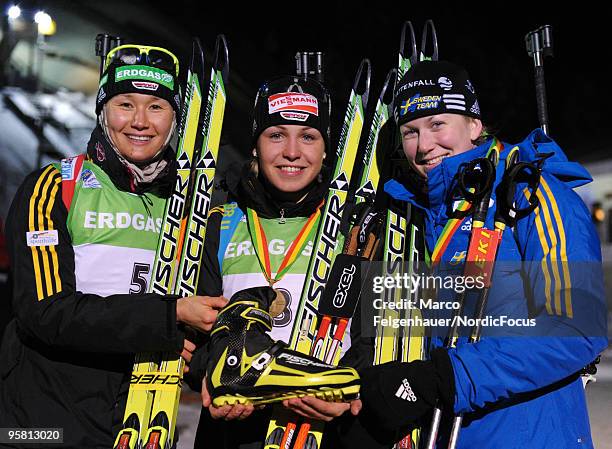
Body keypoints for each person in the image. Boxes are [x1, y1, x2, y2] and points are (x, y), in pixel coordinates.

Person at [354, 60, 608, 448]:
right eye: (410, 131)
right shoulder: (412, 220)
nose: (423, 146)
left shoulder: (531, 193)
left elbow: (575, 326)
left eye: (438, 124)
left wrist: (446, 379)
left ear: (475, 125)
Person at [0, 43, 227, 448]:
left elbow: (203, 317)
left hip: (143, 419)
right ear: (103, 110)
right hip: (45, 421)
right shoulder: (55, 186)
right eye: (125, 103)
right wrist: (169, 317)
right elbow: (45, 311)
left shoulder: (191, 206)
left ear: (176, 118)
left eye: (156, 107)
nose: (140, 121)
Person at [185, 75, 366, 448]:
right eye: (276, 135)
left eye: (308, 137)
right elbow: (196, 337)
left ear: (327, 149)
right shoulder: (220, 223)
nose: (292, 152)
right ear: (255, 145)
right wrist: (210, 376)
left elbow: (379, 338)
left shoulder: (359, 230)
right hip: (236, 428)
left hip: (326, 426)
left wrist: (350, 389)